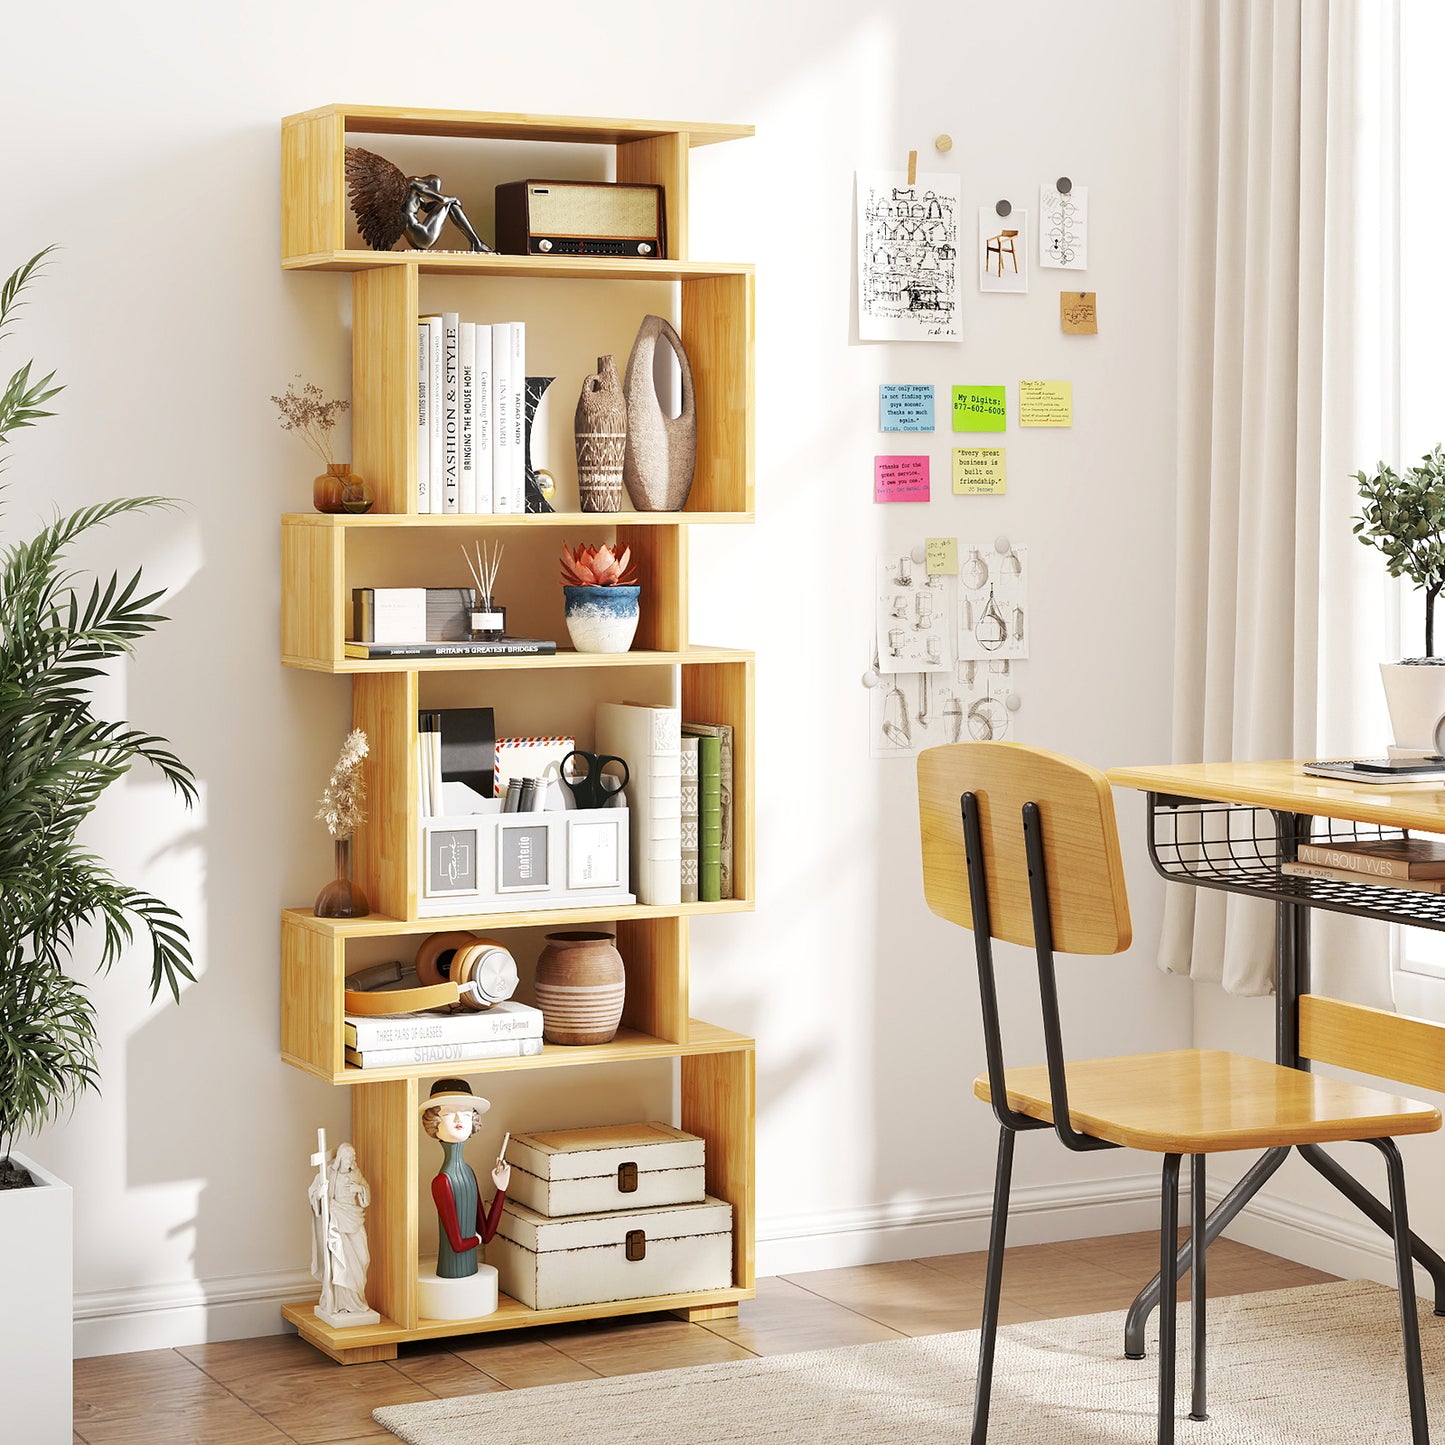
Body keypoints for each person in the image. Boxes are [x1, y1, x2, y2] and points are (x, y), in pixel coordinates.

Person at [419, 1079, 510, 1279]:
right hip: (450, 1272)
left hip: (471, 1272)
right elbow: (457, 1245)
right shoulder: (442, 1181)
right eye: (449, 1113)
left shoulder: (468, 1173)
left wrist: (501, 1190)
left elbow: (486, 1234)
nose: (460, 1118)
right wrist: (476, 1240)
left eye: (467, 1113)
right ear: (434, 1122)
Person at [308, 1140, 374, 1317]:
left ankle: (356, 1300)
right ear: (341, 1158)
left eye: (353, 1157)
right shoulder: (328, 1173)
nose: (352, 1160)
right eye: (349, 1157)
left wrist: (358, 1188)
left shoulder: (356, 1172)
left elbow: (366, 1195)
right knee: (340, 1260)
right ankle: (341, 1302)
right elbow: (314, 1193)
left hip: (354, 1218)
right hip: (337, 1220)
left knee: (362, 1258)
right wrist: (321, 1195)